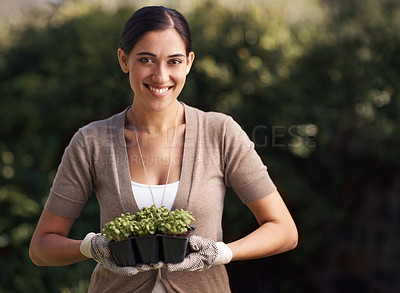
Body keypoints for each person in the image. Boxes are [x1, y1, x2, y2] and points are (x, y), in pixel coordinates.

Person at [29, 5, 298, 293]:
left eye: (173, 61)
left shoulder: (220, 133)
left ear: (189, 63)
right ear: (124, 60)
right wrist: (91, 247)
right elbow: (42, 246)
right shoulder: (92, 142)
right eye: (146, 59)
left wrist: (222, 253)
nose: (160, 76)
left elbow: (283, 230)